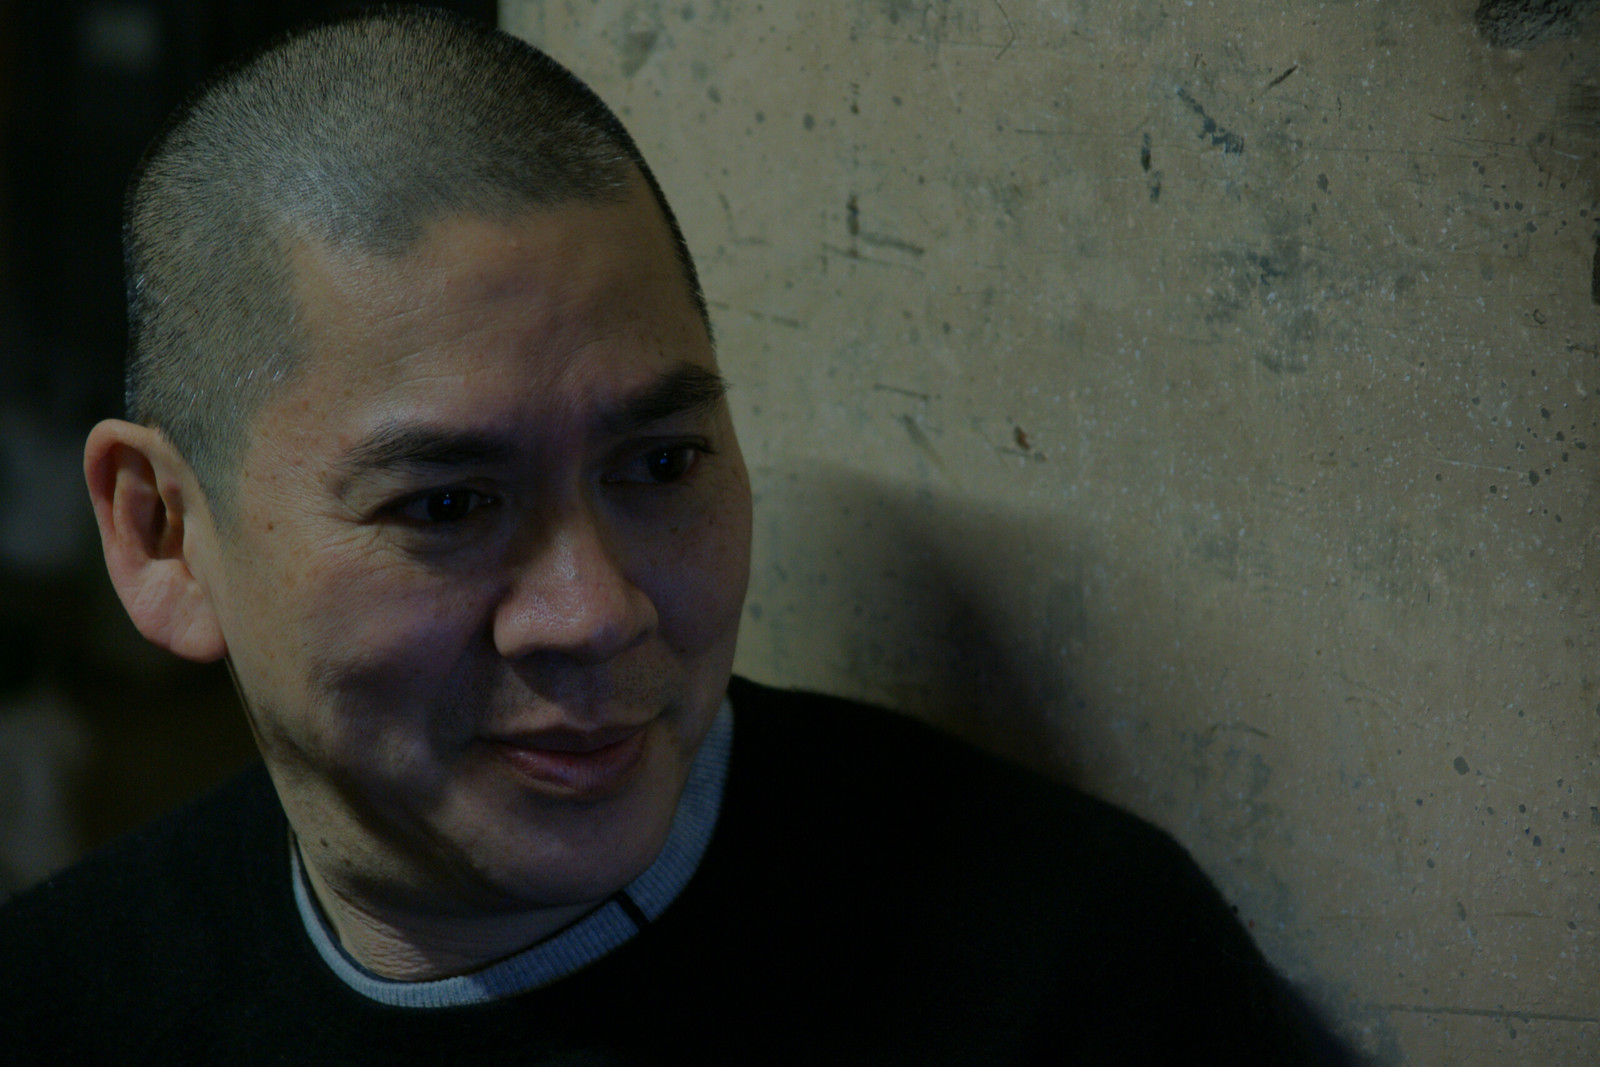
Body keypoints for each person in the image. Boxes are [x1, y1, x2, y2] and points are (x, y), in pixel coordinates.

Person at [0, 8, 1354, 1063]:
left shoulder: (1062, 967)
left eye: (660, 465)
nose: (594, 612)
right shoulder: (59, 1006)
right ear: (163, 536)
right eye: (446, 506)